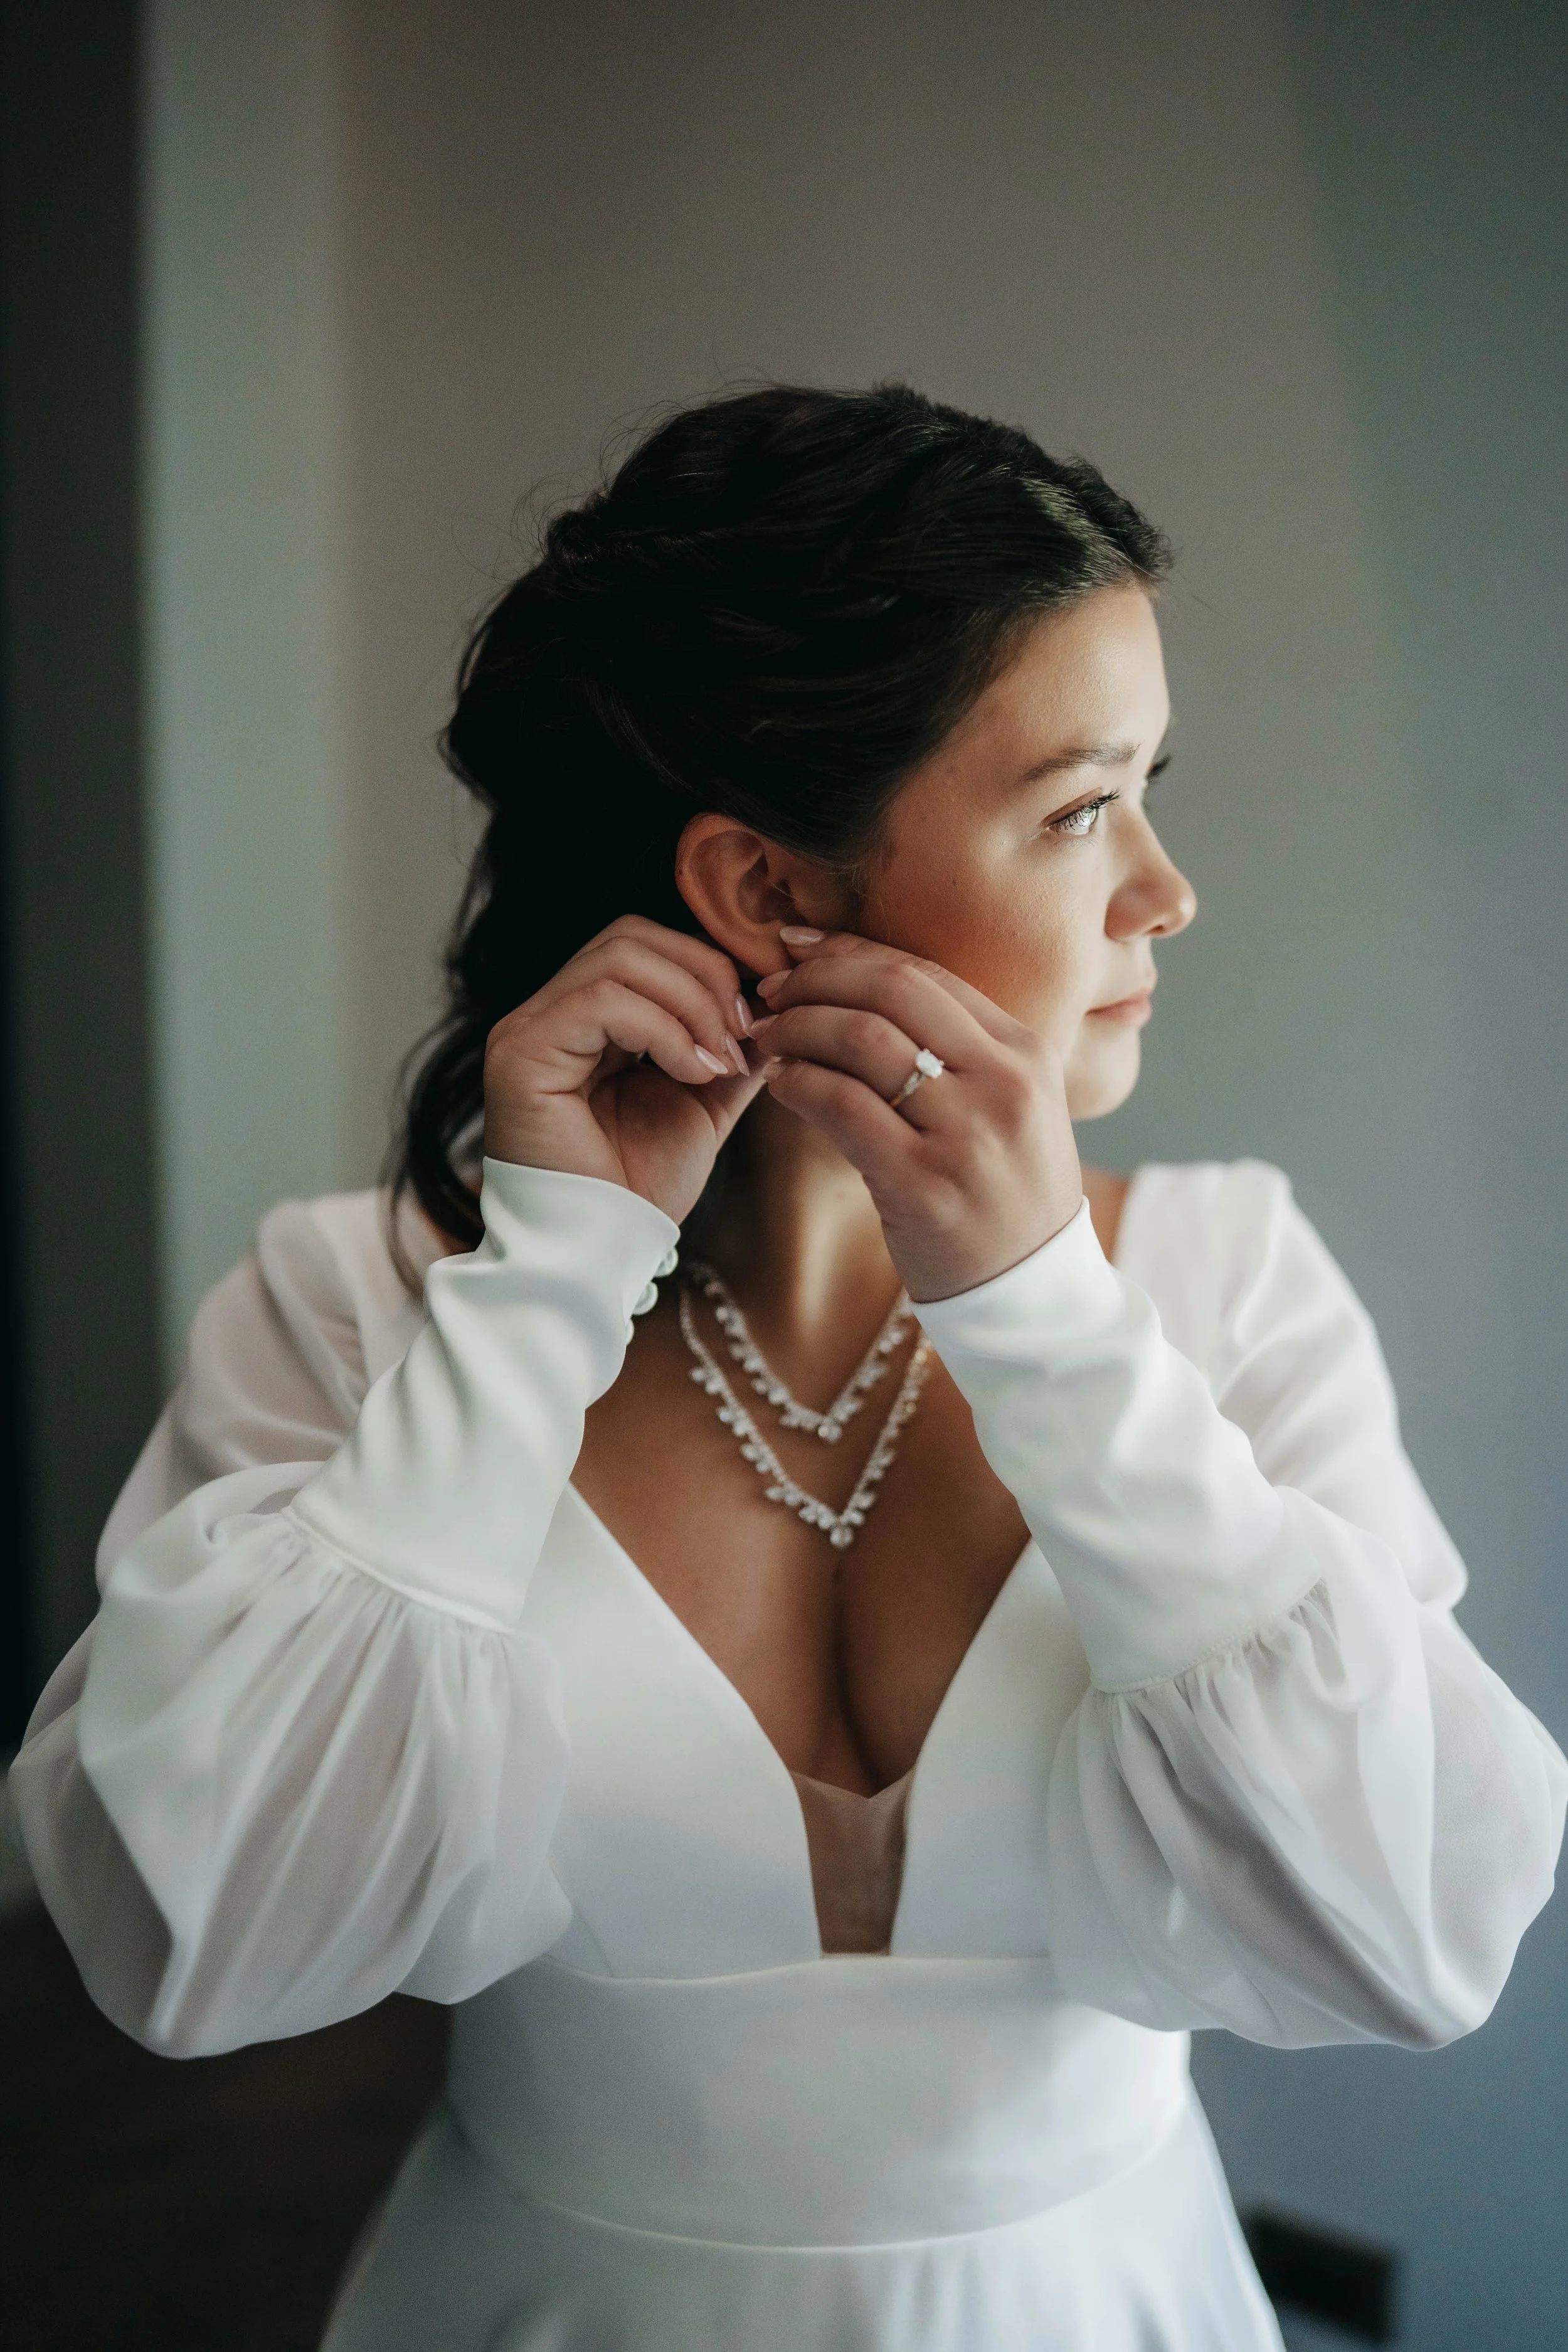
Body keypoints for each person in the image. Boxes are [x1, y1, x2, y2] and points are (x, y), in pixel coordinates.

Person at [13, 383, 1565, 2352]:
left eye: (1149, 791)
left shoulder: (1224, 1277)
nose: (1165, 891)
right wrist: (554, 1271)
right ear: (767, 889)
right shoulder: (353, 1310)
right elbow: (198, 1943)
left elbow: (1418, 1936)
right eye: (1083, 809)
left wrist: (1044, 1315)